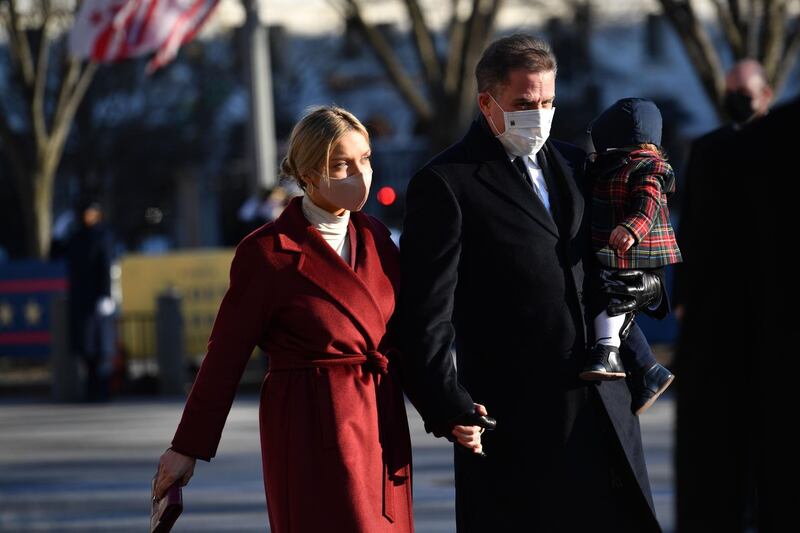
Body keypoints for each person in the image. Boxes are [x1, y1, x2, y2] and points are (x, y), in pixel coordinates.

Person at [153, 106, 484, 533]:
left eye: (364, 159)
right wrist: (187, 447)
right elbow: (225, 357)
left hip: (380, 421)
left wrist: (448, 409)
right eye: (340, 164)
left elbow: (404, 342)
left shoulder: (378, 239)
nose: (359, 174)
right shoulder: (268, 252)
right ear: (308, 173)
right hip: (310, 424)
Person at [393, 34, 665, 532]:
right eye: (523, 103)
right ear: (487, 102)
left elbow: (614, 255)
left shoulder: (580, 164)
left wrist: (649, 286)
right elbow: (423, 313)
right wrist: (445, 402)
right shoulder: (447, 182)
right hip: (516, 421)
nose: (538, 114)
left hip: (604, 411)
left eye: (547, 102)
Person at [578, 97, 682, 416]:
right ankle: (649, 371)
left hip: (637, 250)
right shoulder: (612, 165)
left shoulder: (647, 166)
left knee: (613, 294)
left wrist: (631, 227)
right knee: (617, 304)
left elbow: (647, 202)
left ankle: (608, 350)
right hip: (617, 249)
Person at [672, 58, 773, 317]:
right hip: (717, 288)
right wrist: (682, 293)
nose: (734, 100)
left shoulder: (786, 146)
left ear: (766, 95)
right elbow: (691, 220)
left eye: (743, 93)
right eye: (729, 93)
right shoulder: (707, 148)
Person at [64, 197, 117, 403]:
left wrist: (105, 295)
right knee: (86, 349)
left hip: (96, 299)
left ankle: (102, 391)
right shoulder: (76, 236)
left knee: (100, 349)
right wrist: (59, 231)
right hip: (80, 299)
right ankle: (91, 391)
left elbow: (105, 267)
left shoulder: (103, 236)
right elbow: (56, 252)